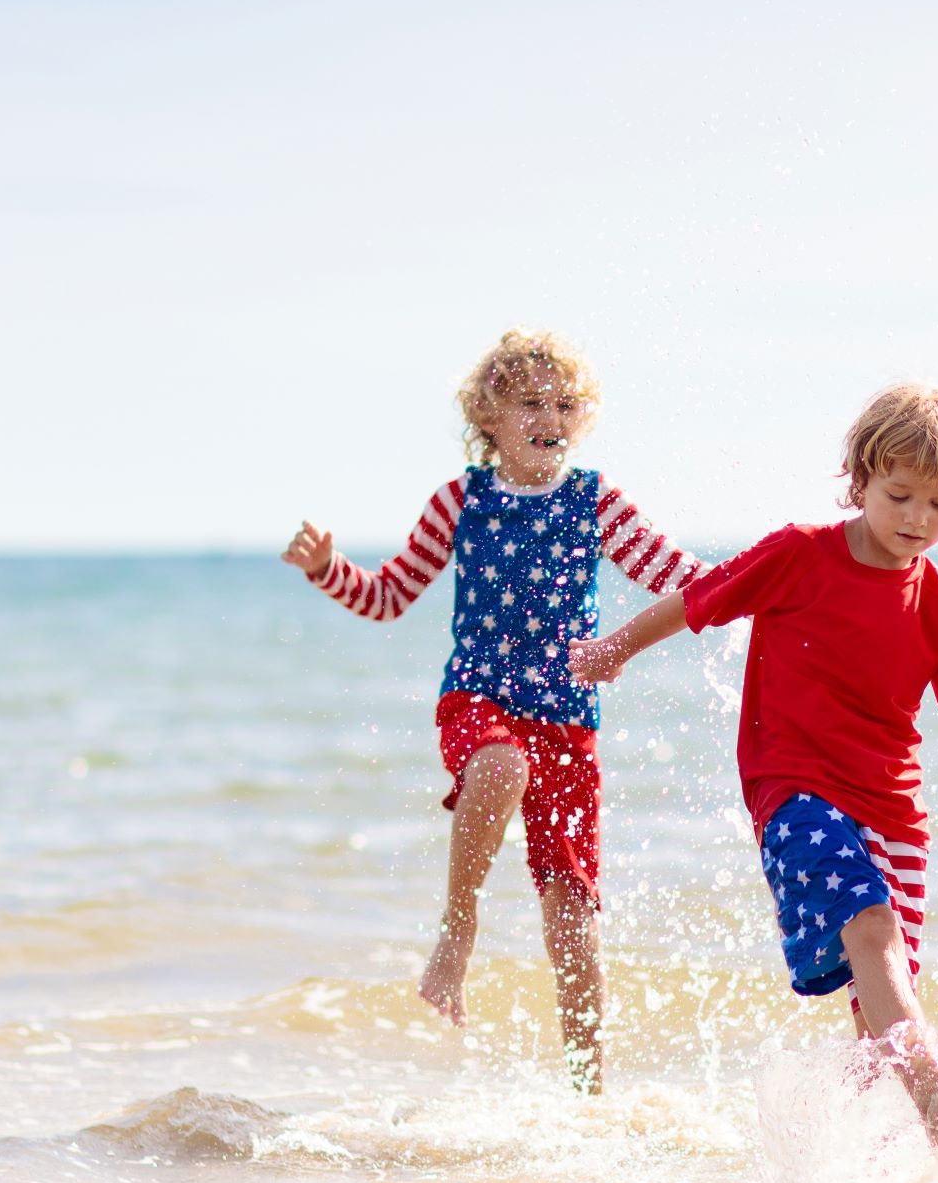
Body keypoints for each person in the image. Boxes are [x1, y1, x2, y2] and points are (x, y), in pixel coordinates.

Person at [570, 380, 938, 1140]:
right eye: (900, 494)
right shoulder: (801, 554)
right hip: (797, 793)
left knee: (877, 1013)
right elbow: (702, 597)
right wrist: (617, 647)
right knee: (870, 927)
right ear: (860, 480)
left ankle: (836, 1150)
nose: (916, 519)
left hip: (896, 813)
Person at [282, 327, 701, 1090]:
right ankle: (458, 928)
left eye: (566, 403)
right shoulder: (460, 502)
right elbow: (386, 597)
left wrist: (766, 581)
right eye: (530, 402)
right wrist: (325, 569)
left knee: (575, 926)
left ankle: (589, 1097)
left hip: (570, 719)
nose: (551, 416)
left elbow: (671, 570)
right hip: (478, 697)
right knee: (502, 764)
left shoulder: (594, 501)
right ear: (490, 420)